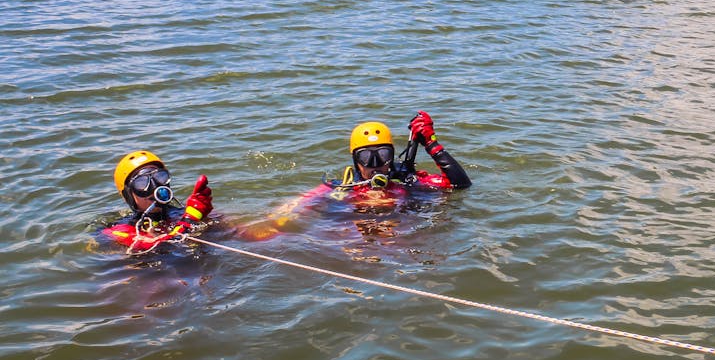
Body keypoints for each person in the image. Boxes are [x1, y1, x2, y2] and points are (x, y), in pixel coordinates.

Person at [251, 112, 471, 235]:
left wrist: (432, 144)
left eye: (383, 155)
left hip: (400, 236)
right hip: (353, 235)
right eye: (366, 157)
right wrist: (275, 222)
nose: (375, 165)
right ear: (356, 161)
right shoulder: (341, 188)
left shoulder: (407, 182)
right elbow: (300, 203)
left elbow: (460, 185)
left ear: (392, 156)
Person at [101, 150, 215, 252]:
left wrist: (202, 215)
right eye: (142, 183)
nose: (154, 187)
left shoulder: (182, 213)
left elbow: (228, 228)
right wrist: (189, 220)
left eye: (160, 177)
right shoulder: (119, 230)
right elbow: (155, 246)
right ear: (128, 195)